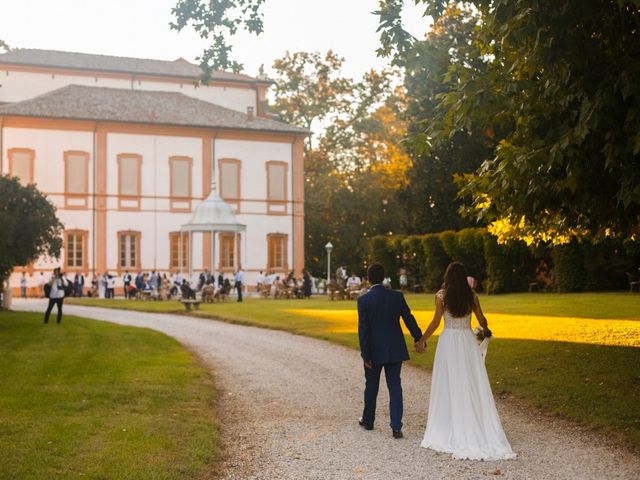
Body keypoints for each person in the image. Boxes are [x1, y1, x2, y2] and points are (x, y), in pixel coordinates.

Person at [415, 262, 516, 460]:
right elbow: (483, 320)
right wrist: (484, 331)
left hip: (449, 341)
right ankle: (474, 423)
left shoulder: (442, 296)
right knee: (470, 382)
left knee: (449, 382)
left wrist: (421, 340)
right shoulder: (472, 296)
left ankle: (449, 425)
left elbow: (436, 322)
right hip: (467, 340)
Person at [357, 263, 422, 439]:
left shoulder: (363, 300)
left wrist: (366, 355)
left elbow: (363, 331)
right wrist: (418, 337)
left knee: (371, 385)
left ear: (368, 279)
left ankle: (368, 421)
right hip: (394, 348)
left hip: (374, 350)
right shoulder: (396, 296)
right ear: (384, 277)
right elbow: (409, 319)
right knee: (395, 386)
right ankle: (396, 427)